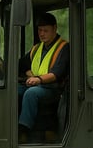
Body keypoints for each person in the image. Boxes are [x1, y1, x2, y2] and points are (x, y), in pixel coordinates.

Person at [18, 12, 70, 141]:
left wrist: (38, 79)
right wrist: (29, 74)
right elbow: (20, 65)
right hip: (37, 85)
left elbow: (56, 73)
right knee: (15, 90)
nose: (42, 34)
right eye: (40, 30)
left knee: (31, 94)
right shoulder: (36, 49)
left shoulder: (63, 47)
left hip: (53, 89)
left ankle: (23, 131)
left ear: (55, 28)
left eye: (45, 30)